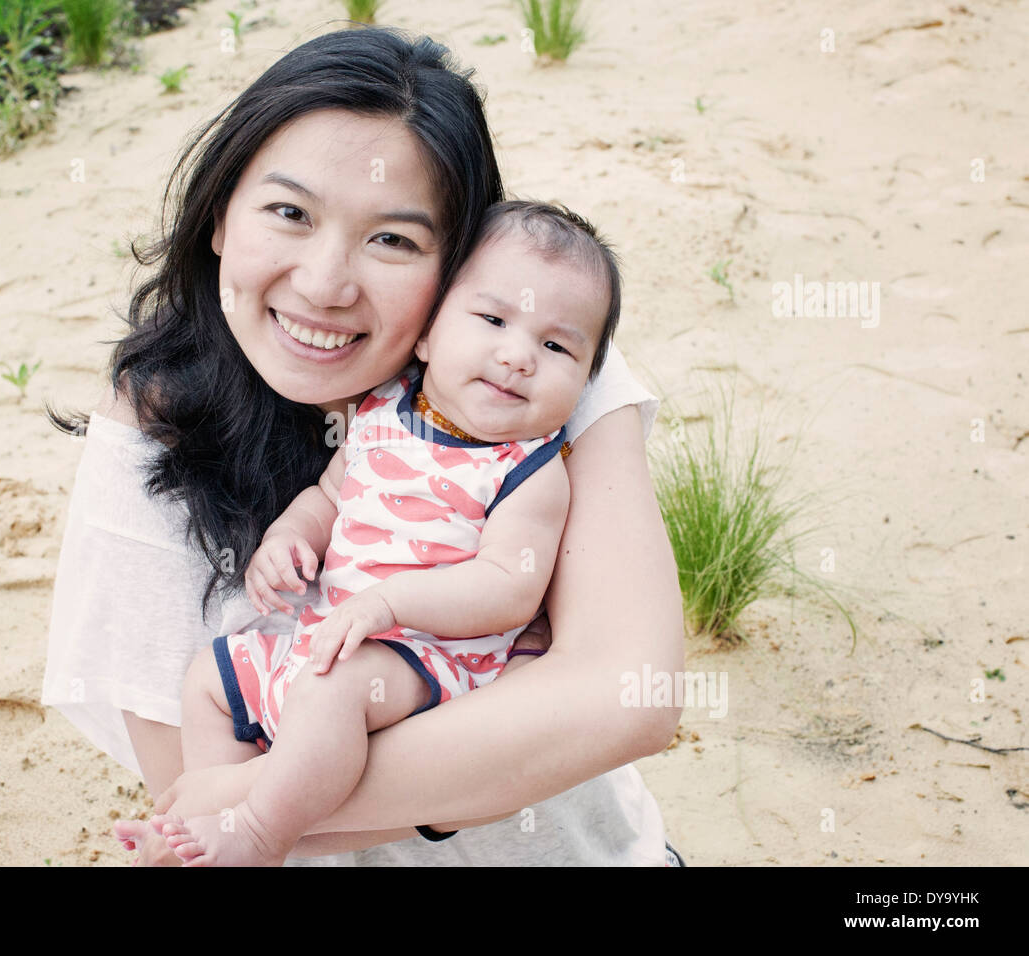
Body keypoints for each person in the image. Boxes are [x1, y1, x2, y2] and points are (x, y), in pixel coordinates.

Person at [42, 25, 685, 867]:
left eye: (393, 239)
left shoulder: (531, 367)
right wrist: (499, 750)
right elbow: (186, 765)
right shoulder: (151, 426)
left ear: (454, 268)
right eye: (288, 213)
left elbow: (629, 699)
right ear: (219, 220)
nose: (325, 284)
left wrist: (248, 802)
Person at [159, 201, 618, 866]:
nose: (518, 356)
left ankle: (259, 832)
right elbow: (329, 495)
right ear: (427, 336)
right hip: (336, 634)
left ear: (583, 382)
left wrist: (390, 605)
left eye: (556, 346)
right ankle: (211, 814)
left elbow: (508, 588)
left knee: (329, 689)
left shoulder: (528, 469)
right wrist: (290, 540)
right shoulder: (383, 410)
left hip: (436, 658)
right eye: (492, 320)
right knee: (213, 677)